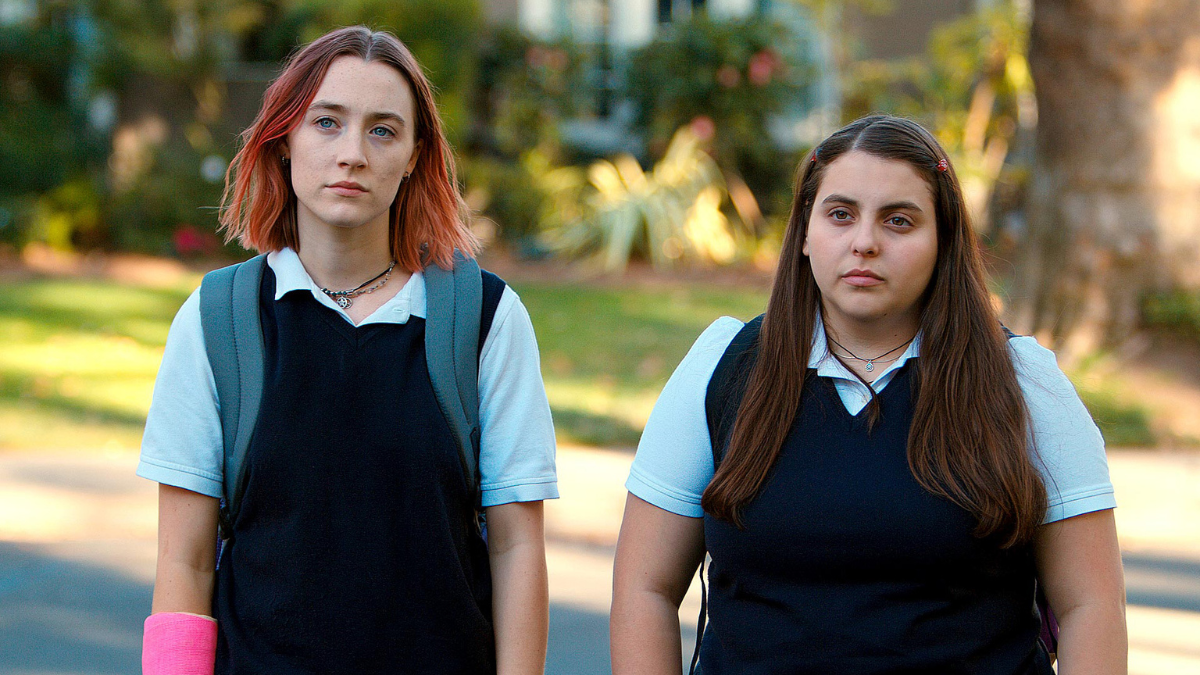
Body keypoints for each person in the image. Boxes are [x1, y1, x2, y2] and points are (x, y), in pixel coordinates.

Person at [610, 115, 1126, 675]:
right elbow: (645, 588)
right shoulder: (724, 367)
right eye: (840, 214)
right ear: (804, 234)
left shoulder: (1024, 381)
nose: (864, 243)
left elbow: (1089, 606)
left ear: (943, 240)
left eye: (899, 221)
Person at [137, 26, 557, 674]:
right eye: (326, 123)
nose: (352, 153)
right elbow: (183, 562)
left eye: (383, 130)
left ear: (417, 153)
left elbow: (515, 548)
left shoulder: (482, 319)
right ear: (284, 141)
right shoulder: (217, 320)